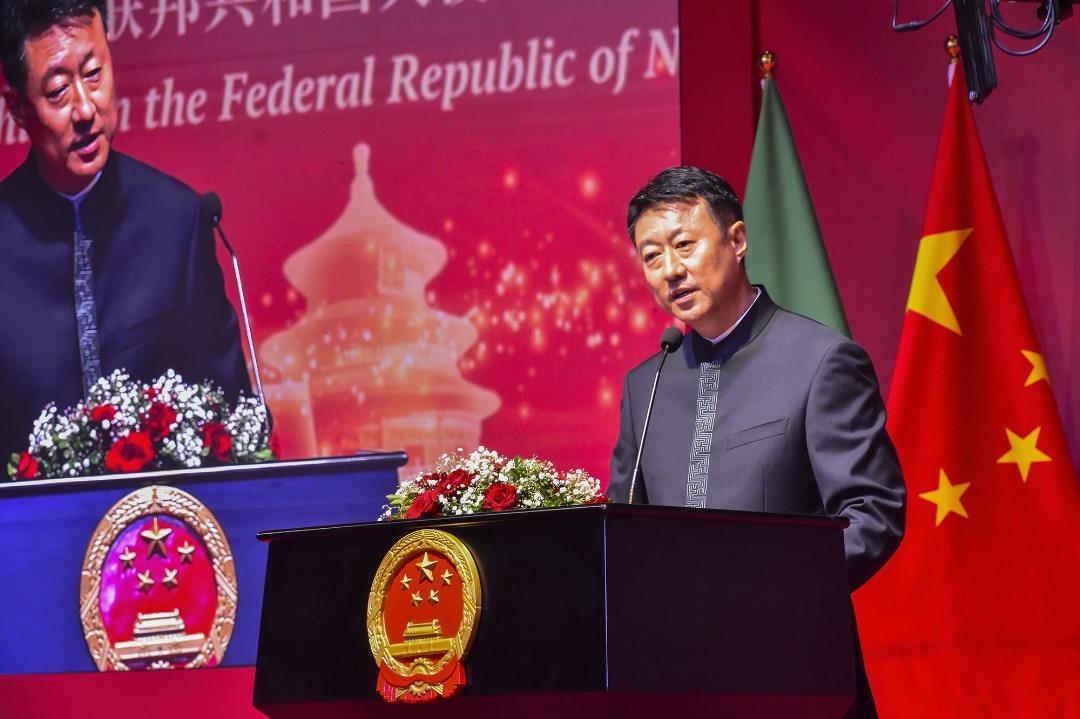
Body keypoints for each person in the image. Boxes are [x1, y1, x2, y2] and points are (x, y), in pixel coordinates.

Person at [609, 166, 905, 718]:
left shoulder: (820, 360)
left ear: (737, 240)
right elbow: (625, 535)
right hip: (673, 685)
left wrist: (763, 594)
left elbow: (873, 512)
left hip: (795, 677)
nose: (671, 270)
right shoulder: (645, 387)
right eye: (652, 256)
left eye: (684, 245)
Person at [0, 0, 250, 462]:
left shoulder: (176, 218)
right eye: (58, 91)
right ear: (18, 108)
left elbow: (232, 413)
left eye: (94, 74)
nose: (85, 109)